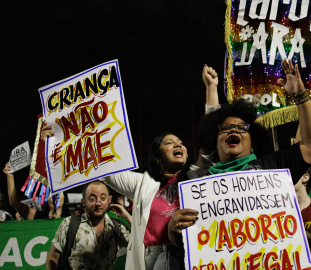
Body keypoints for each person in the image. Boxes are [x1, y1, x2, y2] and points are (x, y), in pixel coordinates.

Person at [41, 64, 221, 270]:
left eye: (180, 142)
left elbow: (209, 141)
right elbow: (101, 166)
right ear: (158, 154)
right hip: (151, 259)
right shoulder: (143, 181)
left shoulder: (196, 175)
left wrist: (211, 88)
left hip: (188, 254)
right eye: (170, 142)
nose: (179, 144)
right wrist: (57, 140)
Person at [169, 58, 311, 245]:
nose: (233, 130)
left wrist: (300, 95)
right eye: (225, 128)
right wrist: (172, 227)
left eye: (242, 128)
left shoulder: (273, 167)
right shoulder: (197, 184)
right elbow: (183, 242)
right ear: (214, 142)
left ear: (253, 141)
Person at [45, 180, 130, 270]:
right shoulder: (69, 224)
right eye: (92, 199)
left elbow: (141, 244)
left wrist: (128, 217)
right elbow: (52, 257)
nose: (98, 203)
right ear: (83, 202)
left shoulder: (117, 226)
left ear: (109, 200)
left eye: (103, 198)